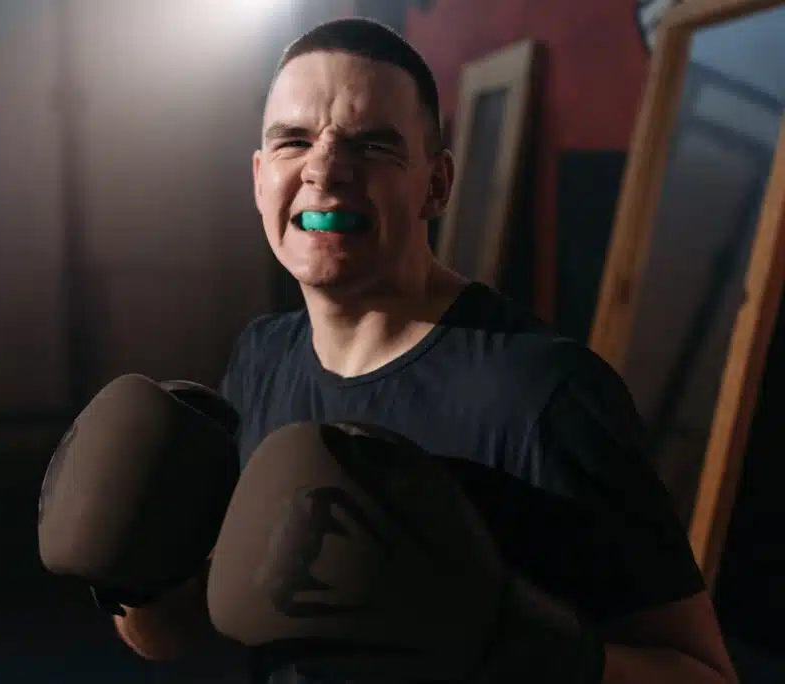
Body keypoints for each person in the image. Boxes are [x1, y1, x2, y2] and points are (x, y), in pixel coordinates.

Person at [112, 17, 739, 684]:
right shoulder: (260, 358)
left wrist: (512, 639)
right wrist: (132, 570)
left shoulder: (544, 396)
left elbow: (704, 676)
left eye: (373, 145)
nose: (324, 169)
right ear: (261, 178)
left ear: (436, 186)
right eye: (294, 141)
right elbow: (173, 636)